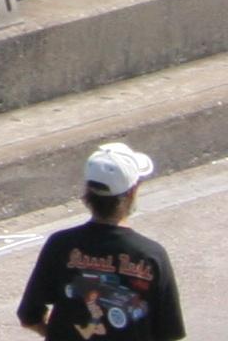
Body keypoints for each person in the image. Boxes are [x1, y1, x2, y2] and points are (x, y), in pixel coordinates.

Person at [20, 144, 186, 341]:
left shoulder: (60, 244)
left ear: (87, 193)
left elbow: (29, 315)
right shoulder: (150, 254)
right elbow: (170, 332)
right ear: (132, 192)